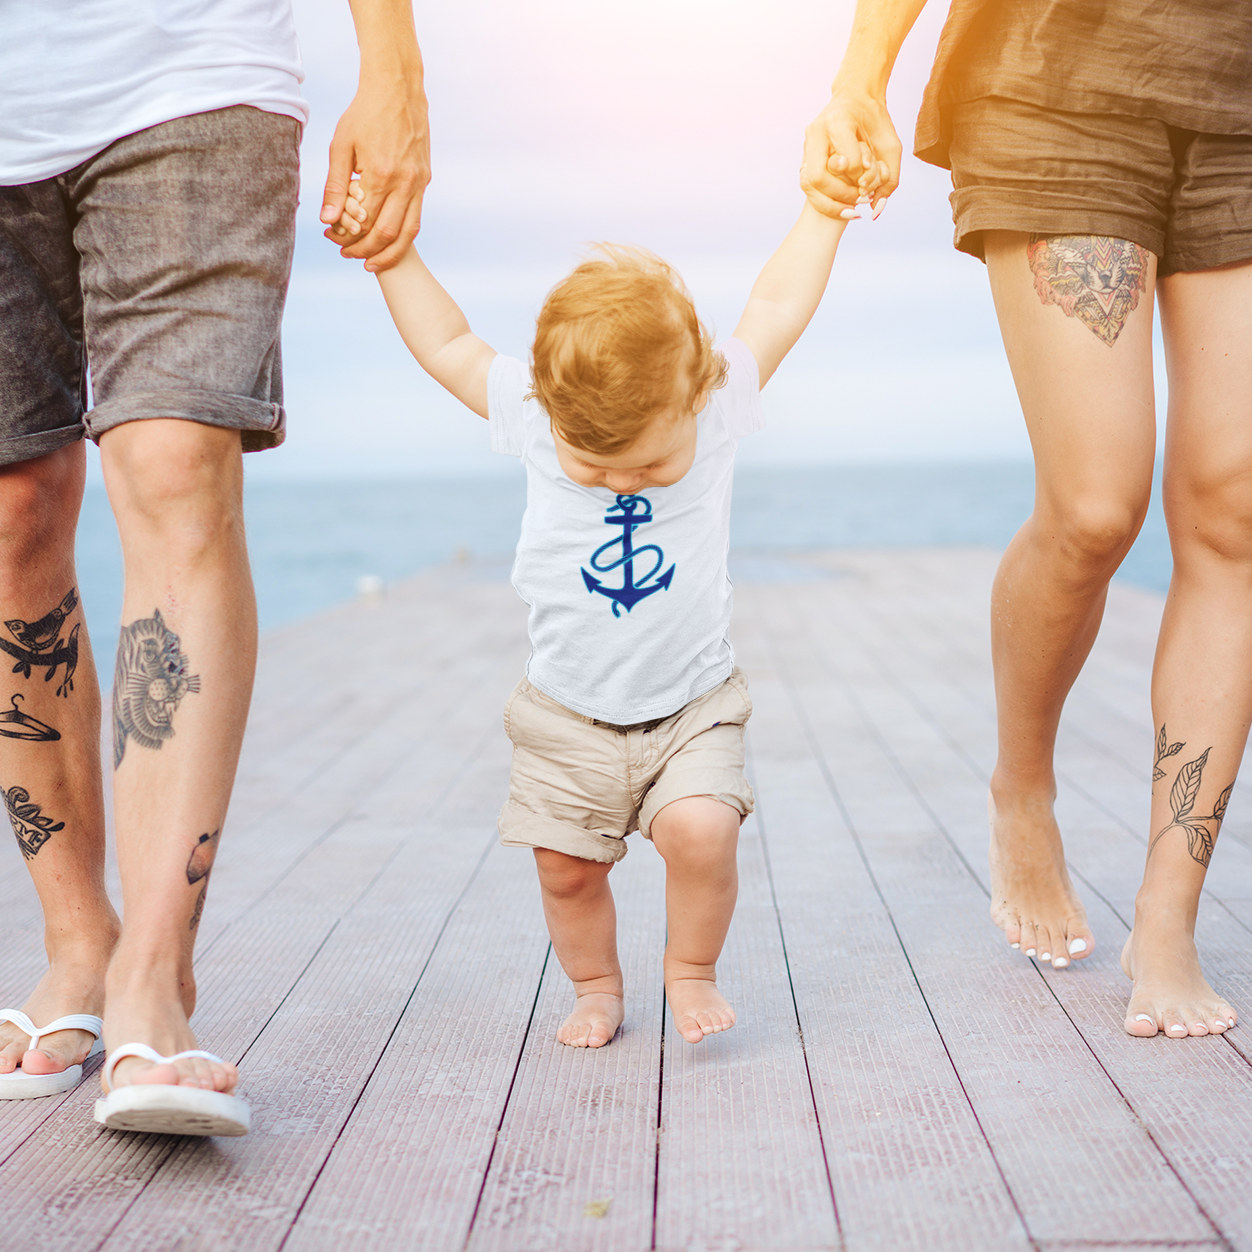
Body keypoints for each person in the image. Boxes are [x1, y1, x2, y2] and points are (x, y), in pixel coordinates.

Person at [0, 0, 429, 1135]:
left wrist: (392, 65)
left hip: (189, 68)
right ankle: (78, 941)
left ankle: (155, 969)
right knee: (12, 512)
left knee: (178, 465)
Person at [802, 0, 1252, 1039]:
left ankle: (1167, 916)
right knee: (1096, 508)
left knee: (1233, 516)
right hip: (1057, 80)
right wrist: (860, 74)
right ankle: (1022, 784)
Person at [331, 175, 854, 1046]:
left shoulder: (718, 404)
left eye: (648, 467)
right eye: (594, 465)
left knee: (701, 831)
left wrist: (826, 211)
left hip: (691, 706)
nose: (620, 482)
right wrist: (393, 256)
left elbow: (777, 301)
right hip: (566, 713)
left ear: (696, 400)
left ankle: (690, 971)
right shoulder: (537, 415)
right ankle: (596, 987)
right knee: (567, 868)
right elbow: (449, 342)